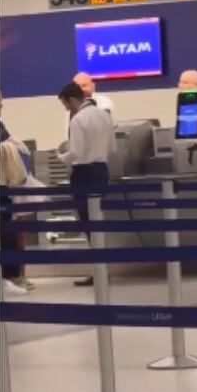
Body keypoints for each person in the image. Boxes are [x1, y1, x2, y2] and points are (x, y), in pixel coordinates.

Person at [58, 81, 116, 287]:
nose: (67, 110)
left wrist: (60, 156)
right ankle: (103, 270)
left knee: (88, 223)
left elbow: (77, 153)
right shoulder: (104, 115)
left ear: (72, 100)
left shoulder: (78, 119)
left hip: (84, 173)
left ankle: (99, 272)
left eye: (66, 105)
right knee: (98, 223)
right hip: (102, 170)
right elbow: (112, 146)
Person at [0, 91, 36, 294]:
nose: (2, 106)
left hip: (4, 185)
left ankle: (12, 275)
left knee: (9, 232)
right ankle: (9, 276)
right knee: (6, 232)